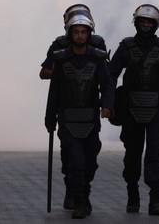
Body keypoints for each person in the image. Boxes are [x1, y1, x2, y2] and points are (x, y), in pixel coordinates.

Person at [109, 4, 159, 216]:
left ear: (156, 24)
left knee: (156, 154)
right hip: (131, 108)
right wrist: (109, 104)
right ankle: (132, 195)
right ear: (136, 22)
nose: (146, 25)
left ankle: (155, 198)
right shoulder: (126, 46)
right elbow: (111, 75)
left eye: (150, 22)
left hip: (157, 110)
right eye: (142, 21)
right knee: (132, 154)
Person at [45, 14, 114, 219]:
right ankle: (81, 201)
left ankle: (84, 192)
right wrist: (50, 118)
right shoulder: (61, 59)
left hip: (90, 120)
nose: (80, 36)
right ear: (70, 34)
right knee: (75, 162)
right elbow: (54, 91)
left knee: (90, 162)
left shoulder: (98, 58)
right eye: (76, 32)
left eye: (84, 32)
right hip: (67, 119)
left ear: (89, 34)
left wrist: (107, 106)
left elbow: (107, 85)